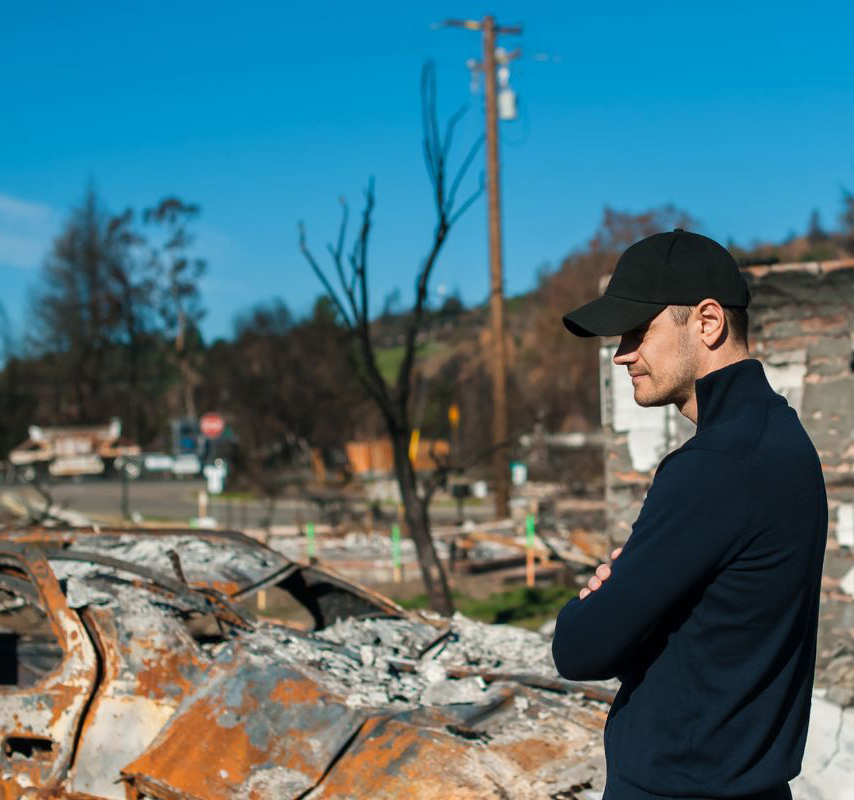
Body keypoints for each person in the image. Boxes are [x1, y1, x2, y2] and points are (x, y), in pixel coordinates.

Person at [552, 229, 827, 800]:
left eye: (638, 331)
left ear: (707, 322)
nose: (622, 353)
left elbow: (580, 651)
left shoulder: (715, 465)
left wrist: (593, 603)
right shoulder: (784, 440)